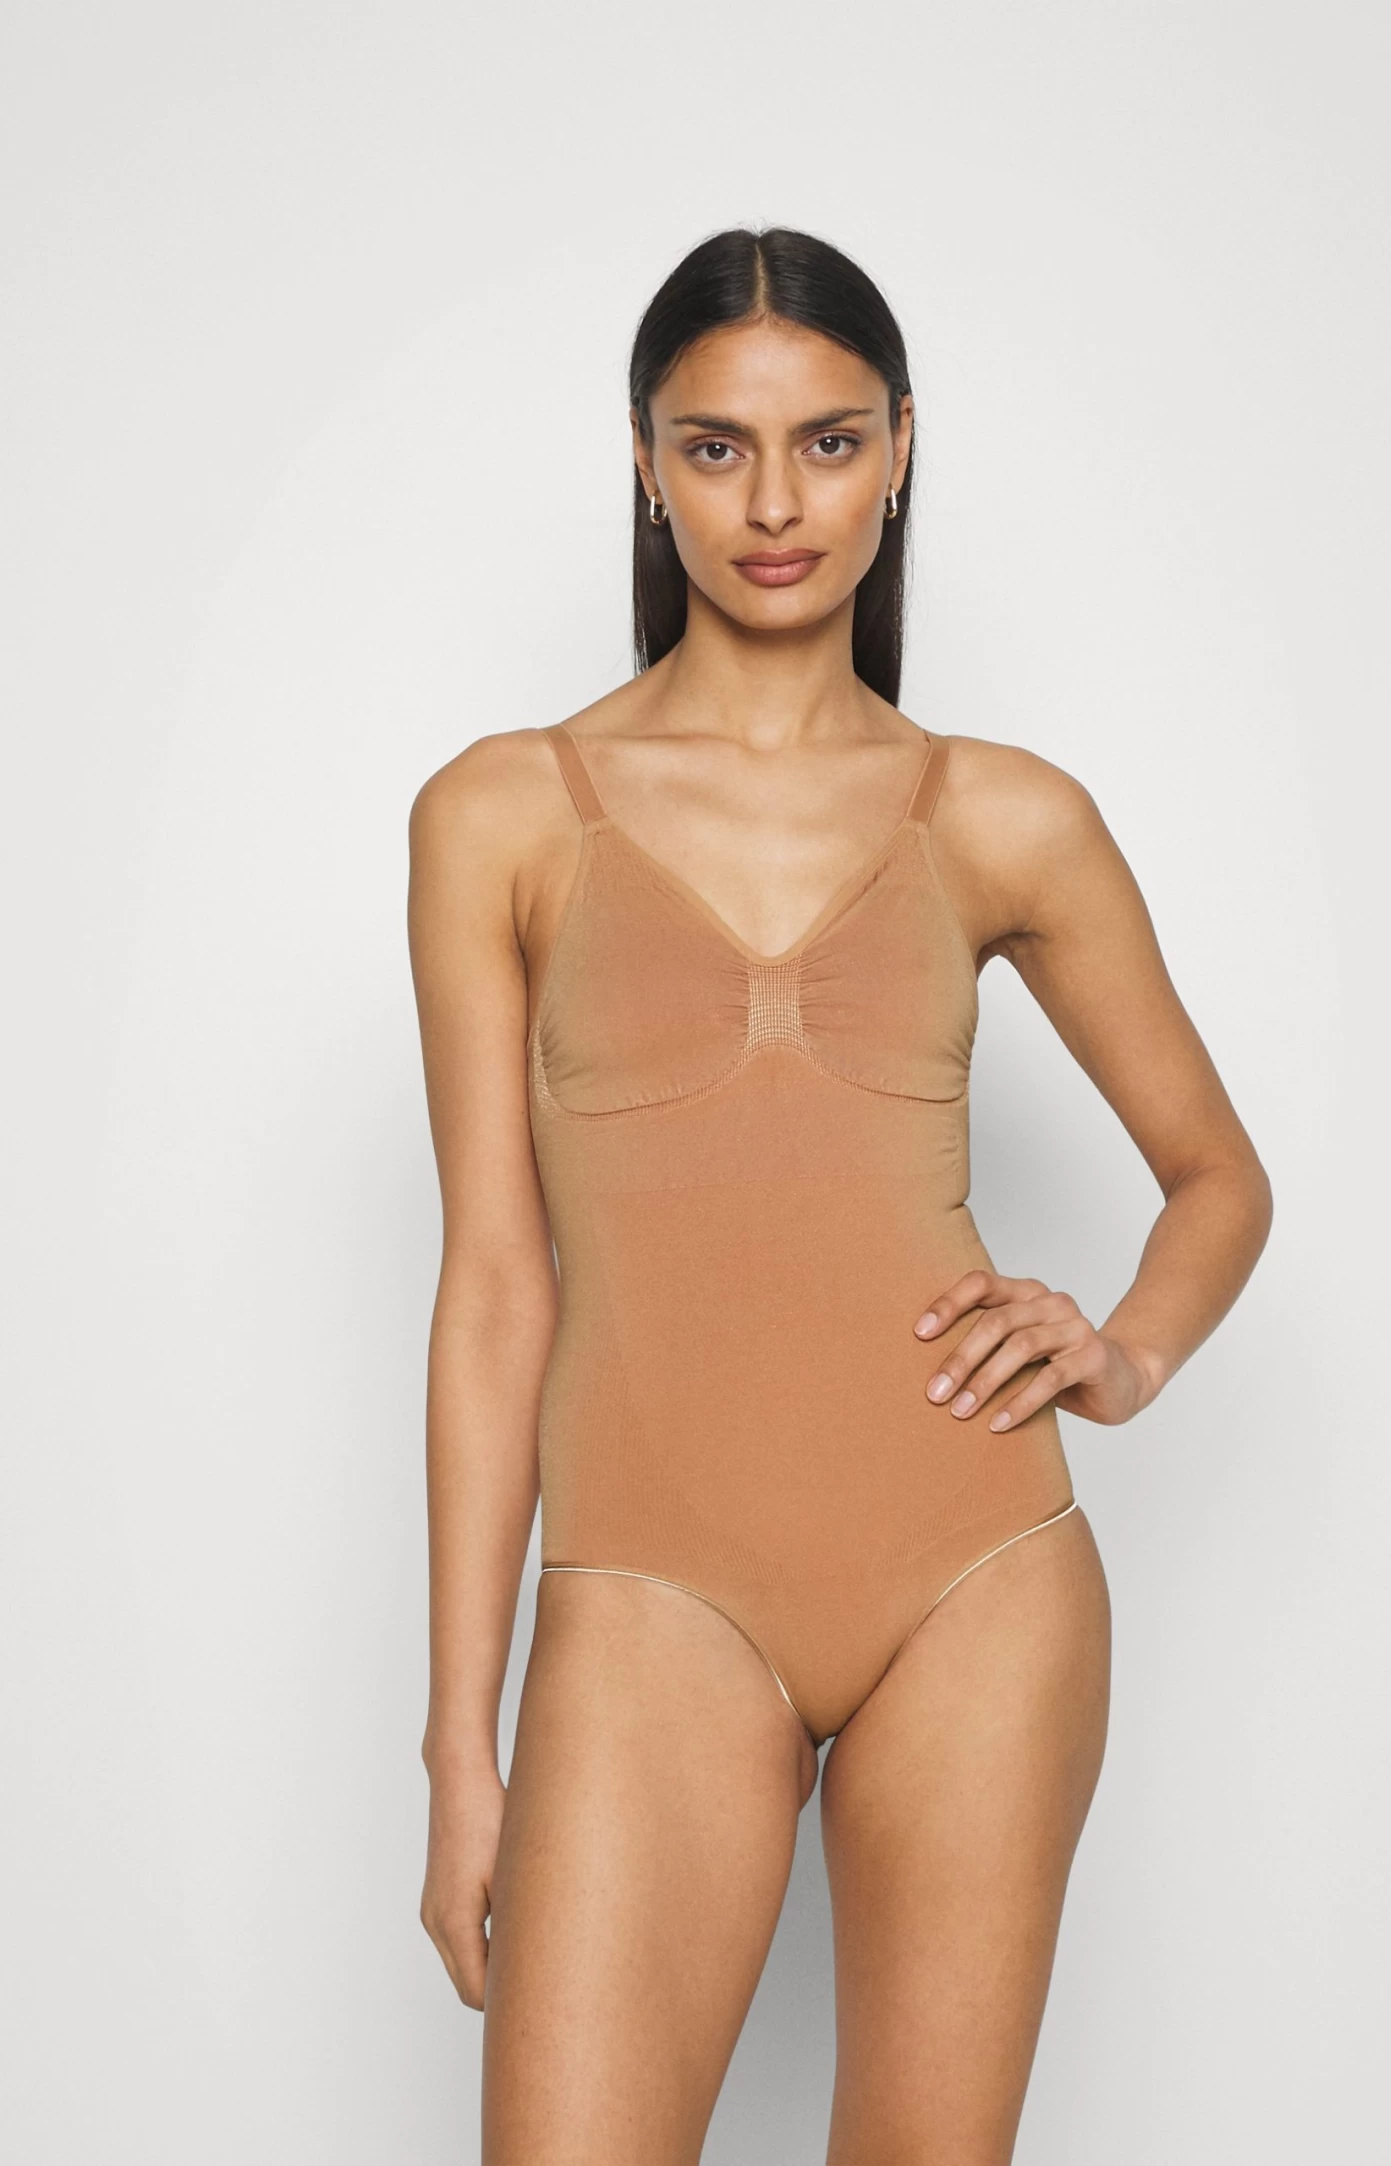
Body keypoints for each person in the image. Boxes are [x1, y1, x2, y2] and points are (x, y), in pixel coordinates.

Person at [407, 226, 1271, 2164]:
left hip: (977, 1578)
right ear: (645, 463)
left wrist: (1124, 1354)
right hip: (651, 1592)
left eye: (829, 441)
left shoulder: (1004, 813)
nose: (777, 504)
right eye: (715, 448)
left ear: (901, 448)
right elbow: (494, 1291)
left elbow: (1218, 1178)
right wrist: (463, 1746)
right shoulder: (502, 814)